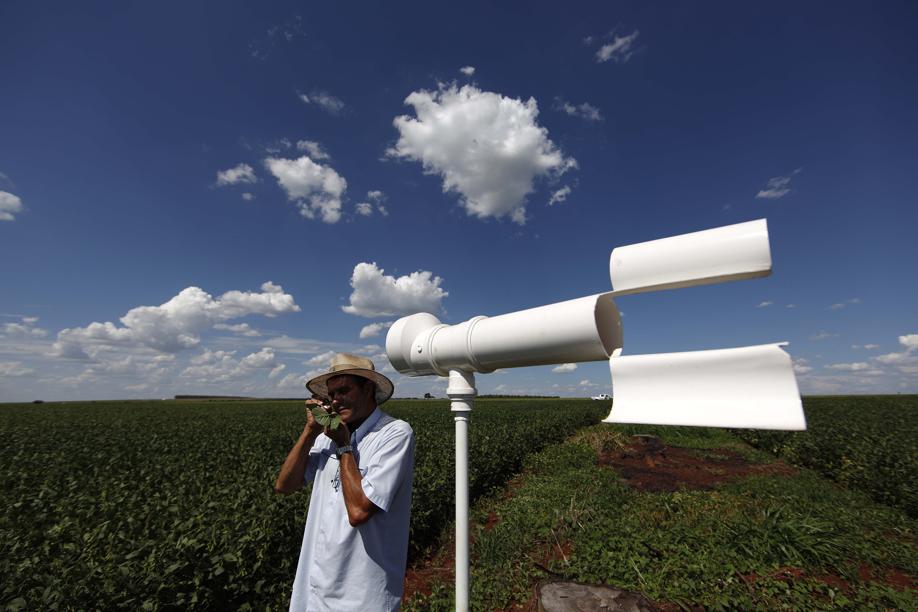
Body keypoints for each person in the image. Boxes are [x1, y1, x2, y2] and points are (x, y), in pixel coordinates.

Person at [274, 353, 415, 611]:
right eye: (331, 395)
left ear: (368, 389)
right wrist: (310, 432)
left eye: (344, 391)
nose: (336, 401)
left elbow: (360, 511)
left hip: (361, 594)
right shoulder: (327, 436)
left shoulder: (393, 433)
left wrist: (343, 445)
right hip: (315, 587)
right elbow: (285, 486)